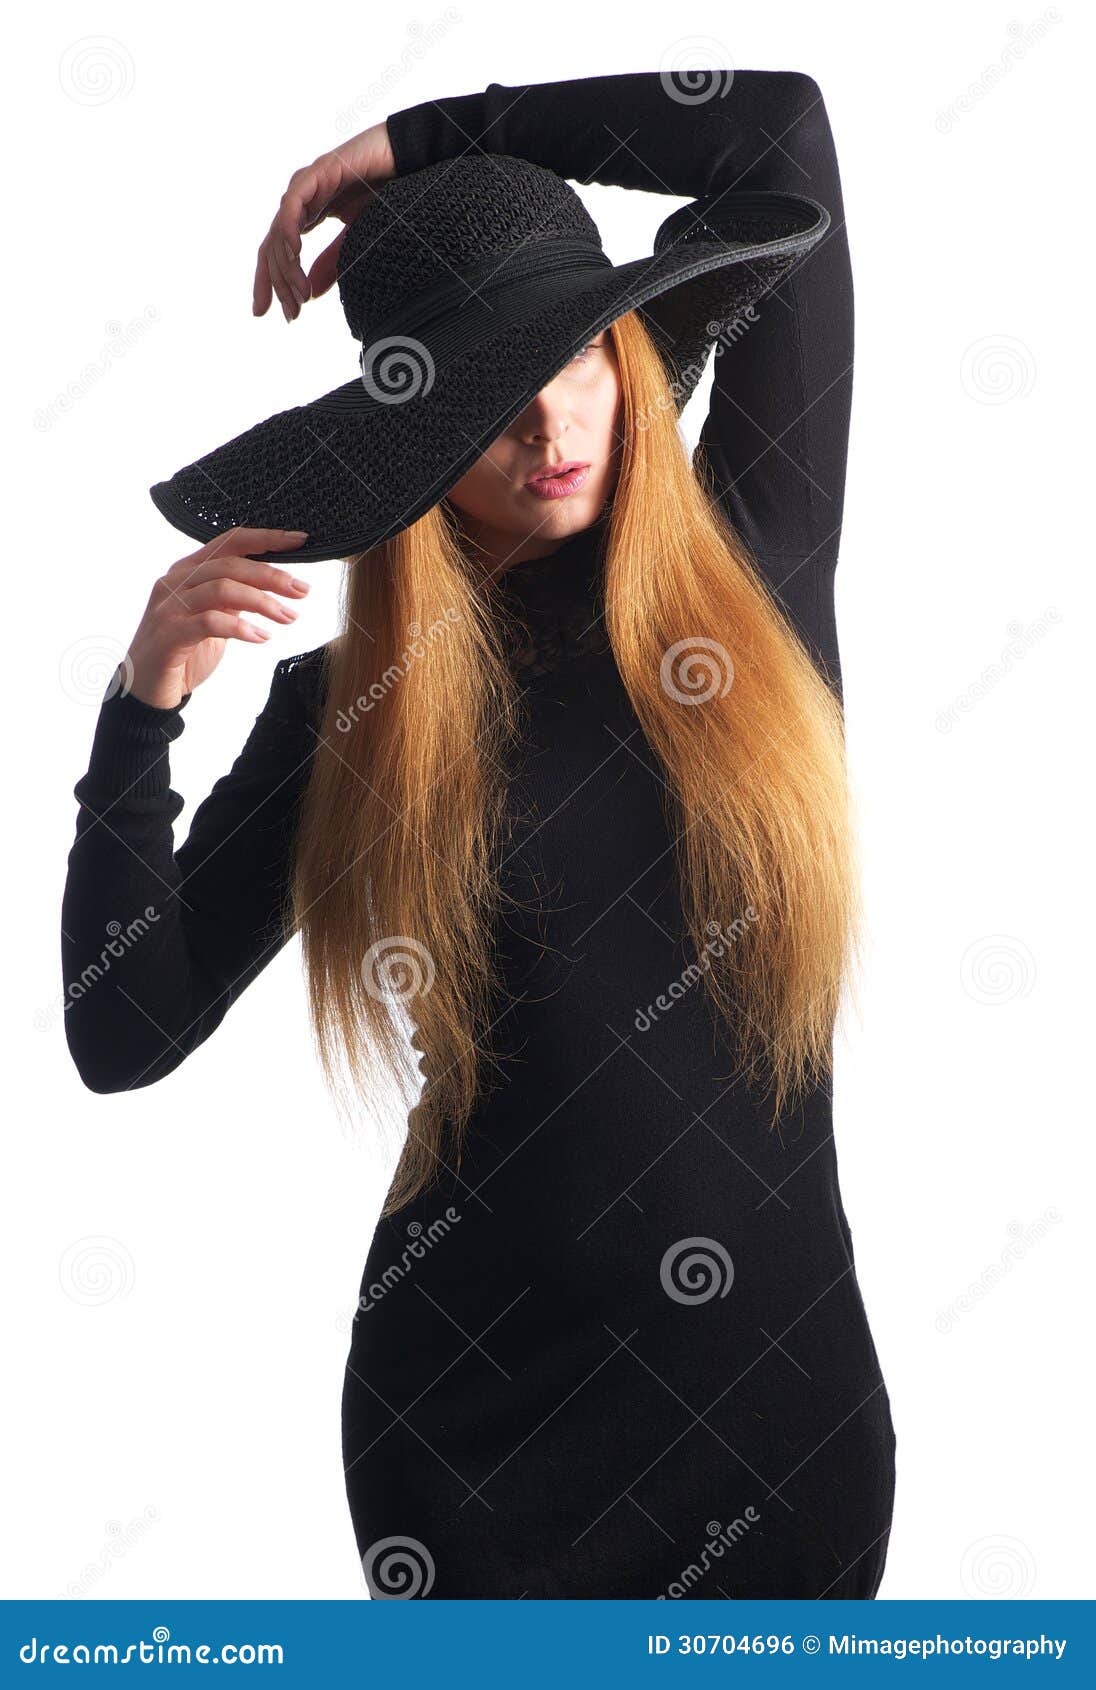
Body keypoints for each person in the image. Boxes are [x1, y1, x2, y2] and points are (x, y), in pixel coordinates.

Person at [62, 68, 896, 1599]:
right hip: (480, 1443)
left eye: (575, 349)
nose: (546, 418)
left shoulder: (759, 569)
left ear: (630, 352)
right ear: (412, 435)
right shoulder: (359, 710)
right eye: (475, 386)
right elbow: (125, 1025)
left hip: (785, 1435)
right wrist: (140, 720)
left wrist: (430, 136)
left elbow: (774, 126)